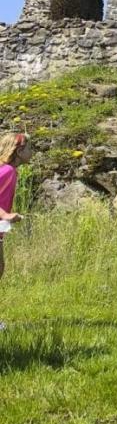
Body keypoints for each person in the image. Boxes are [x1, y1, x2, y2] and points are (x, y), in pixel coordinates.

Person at [0, 132, 31, 330]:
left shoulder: (9, 170)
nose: (32, 152)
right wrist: (5, 215)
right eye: (29, 148)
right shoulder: (7, 171)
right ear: (19, 151)